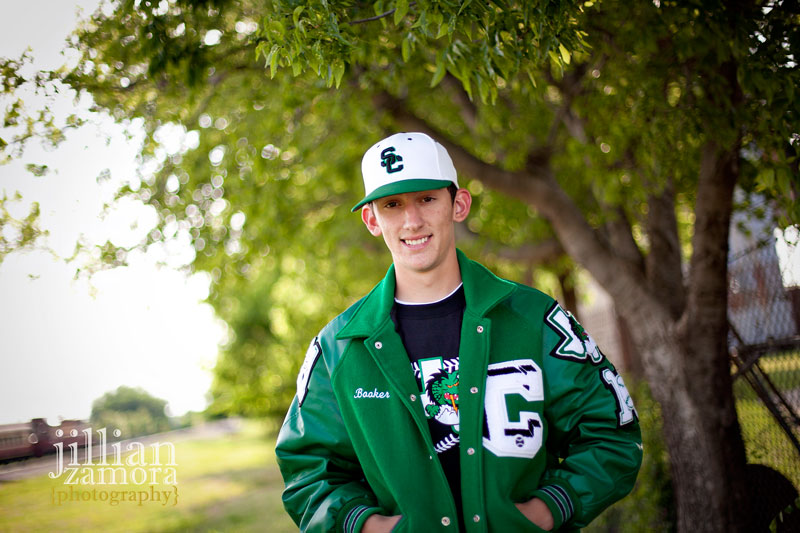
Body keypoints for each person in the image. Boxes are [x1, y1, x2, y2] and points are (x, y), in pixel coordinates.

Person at [276, 132, 643, 533]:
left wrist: (548, 509)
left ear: (459, 204)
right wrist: (367, 526)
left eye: (426, 199)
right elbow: (309, 470)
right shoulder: (340, 346)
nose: (412, 221)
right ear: (372, 220)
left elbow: (611, 434)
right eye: (392, 205)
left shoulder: (534, 319)